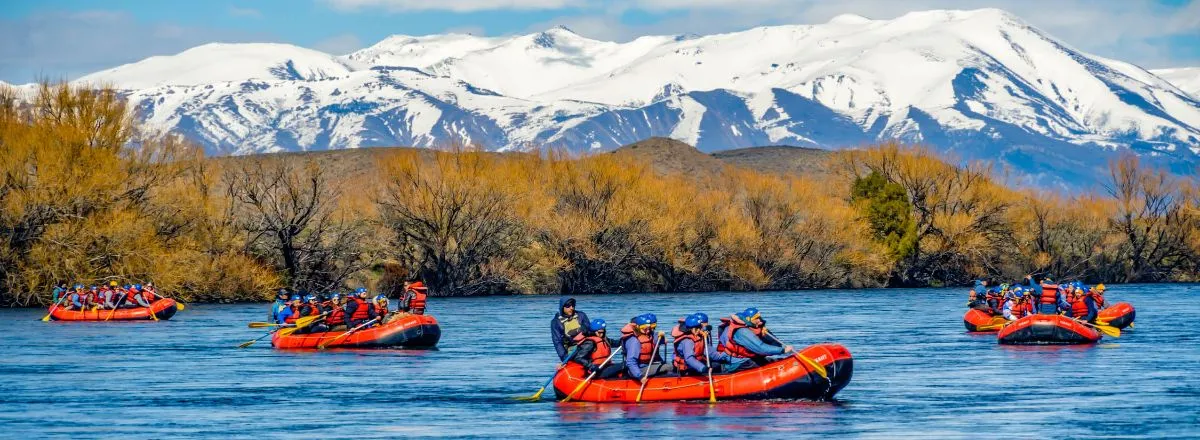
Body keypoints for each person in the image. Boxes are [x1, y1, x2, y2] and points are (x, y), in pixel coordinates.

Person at [717, 308, 793, 371]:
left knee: (775, 360)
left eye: (759, 317)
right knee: (769, 364)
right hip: (739, 363)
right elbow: (761, 348)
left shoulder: (748, 326)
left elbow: (776, 344)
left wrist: (766, 333)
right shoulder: (742, 331)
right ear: (748, 319)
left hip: (746, 359)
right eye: (756, 318)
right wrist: (783, 350)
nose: (760, 320)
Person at [620, 314, 670, 381]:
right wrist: (640, 376)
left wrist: (661, 337)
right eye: (644, 329)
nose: (648, 331)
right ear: (637, 327)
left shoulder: (648, 335)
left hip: (647, 365)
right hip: (639, 369)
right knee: (669, 367)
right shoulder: (634, 340)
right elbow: (631, 362)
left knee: (665, 365)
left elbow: (657, 341)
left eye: (649, 329)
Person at [550, 297, 590, 362]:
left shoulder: (581, 315)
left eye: (573, 305)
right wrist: (564, 358)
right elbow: (557, 342)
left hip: (587, 345)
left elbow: (590, 330)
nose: (571, 308)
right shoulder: (556, 322)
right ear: (562, 307)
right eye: (568, 306)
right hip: (572, 349)